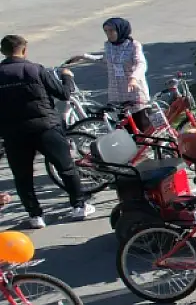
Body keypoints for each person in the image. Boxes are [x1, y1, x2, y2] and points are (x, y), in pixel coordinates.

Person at [0, 34, 96, 227]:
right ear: (24, 50)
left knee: (23, 176)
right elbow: (63, 93)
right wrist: (67, 77)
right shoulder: (35, 69)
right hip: (45, 127)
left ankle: (35, 216)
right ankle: (78, 206)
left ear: (3, 52)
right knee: (66, 167)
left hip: (14, 132)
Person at [76, 17, 149, 105]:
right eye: (106, 31)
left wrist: (134, 78)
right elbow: (106, 60)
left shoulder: (133, 45)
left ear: (120, 30)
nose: (108, 34)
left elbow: (141, 64)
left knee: (139, 117)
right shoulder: (109, 46)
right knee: (119, 117)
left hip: (133, 90)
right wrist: (84, 57)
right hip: (116, 92)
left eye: (111, 30)